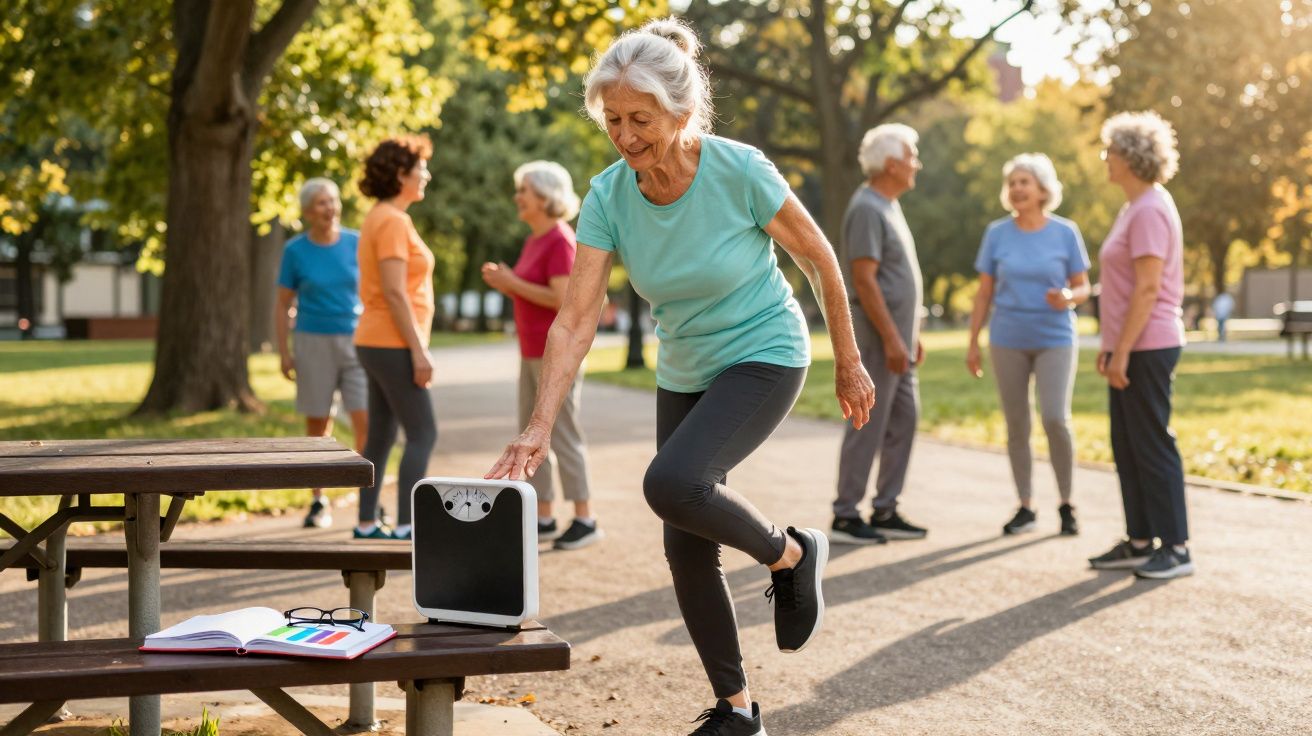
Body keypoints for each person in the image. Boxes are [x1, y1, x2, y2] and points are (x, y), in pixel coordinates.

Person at [484, 18, 875, 735]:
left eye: (641, 119)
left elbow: (821, 259)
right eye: (613, 120)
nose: (626, 136)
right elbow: (574, 319)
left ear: (682, 114)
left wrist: (849, 360)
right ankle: (736, 710)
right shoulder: (608, 196)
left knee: (672, 484)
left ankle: (791, 554)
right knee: (683, 538)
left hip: (765, 352)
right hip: (687, 364)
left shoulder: (740, 170)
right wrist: (538, 423)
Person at [1087, 111, 1193, 579]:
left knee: (1151, 444)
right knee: (1127, 445)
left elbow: (1148, 289)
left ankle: (1176, 547)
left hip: (1149, 344)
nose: (1104, 158)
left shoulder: (1150, 208)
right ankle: (1138, 539)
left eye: (1109, 150)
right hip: (1131, 343)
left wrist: (1124, 348)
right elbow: (1123, 287)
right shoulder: (1135, 207)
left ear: (1130, 157)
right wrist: (1111, 345)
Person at [965, 154, 1090, 537]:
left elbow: (1085, 287)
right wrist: (973, 342)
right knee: (1017, 424)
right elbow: (984, 293)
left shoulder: (1065, 232)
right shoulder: (996, 233)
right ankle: (1025, 505)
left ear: (1042, 190)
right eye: (1013, 182)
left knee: (1055, 418)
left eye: (1025, 182)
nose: (1017, 188)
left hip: (1055, 337)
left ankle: (1067, 503)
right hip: (1008, 338)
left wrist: (1068, 296)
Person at [481, 161, 602, 551]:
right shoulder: (535, 239)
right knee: (529, 431)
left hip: (557, 355)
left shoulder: (560, 240)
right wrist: (510, 284)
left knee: (562, 432)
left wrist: (511, 282)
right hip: (531, 350)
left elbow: (563, 300)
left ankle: (585, 518)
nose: (518, 197)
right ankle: (544, 515)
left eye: (524, 191)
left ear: (547, 198)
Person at [829, 123, 929, 546]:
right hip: (876, 339)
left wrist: (911, 334)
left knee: (905, 419)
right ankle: (846, 514)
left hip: (899, 341)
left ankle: (885, 508)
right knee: (866, 423)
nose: (916, 164)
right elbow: (864, 280)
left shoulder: (888, 204)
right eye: (911, 156)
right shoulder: (867, 207)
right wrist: (891, 338)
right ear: (891, 164)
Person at [353, 135, 437, 541]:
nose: (427, 175)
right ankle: (407, 525)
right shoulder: (391, 220)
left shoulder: (382, 216)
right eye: (421, 168)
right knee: (423, 433)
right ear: (401, 174)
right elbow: (394, 291)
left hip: (379, 339)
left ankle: (367, 522)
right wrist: (419, 350)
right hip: (391, 342)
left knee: (382, 435)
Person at [274, 178, 368, 529]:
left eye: (332, 201)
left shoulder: (356, 243)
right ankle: (318, 500)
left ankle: (366, 499)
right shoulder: (295, 251)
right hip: (312, 340)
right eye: (320, 203)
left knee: (366, 420)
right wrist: (284, 352)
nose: (328, 209)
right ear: (307, 212)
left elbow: (374, 291)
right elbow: (282, 305)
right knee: (318, 423)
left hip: (356, 341)